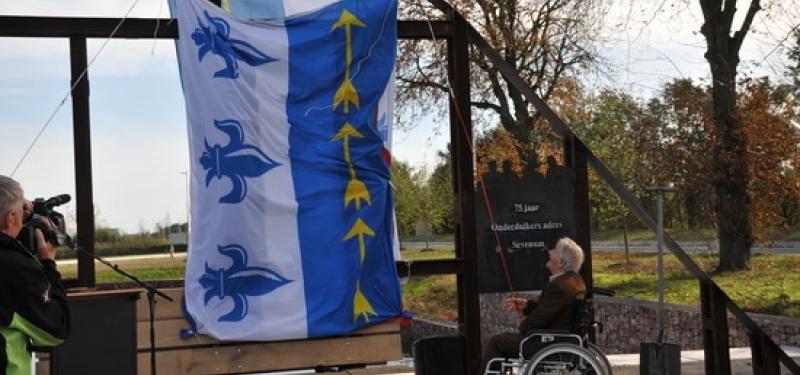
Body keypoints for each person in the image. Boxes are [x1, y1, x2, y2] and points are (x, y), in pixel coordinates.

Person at [481, 237, 587, 373]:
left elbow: (541, 317)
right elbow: (550, 309)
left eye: (555, 250)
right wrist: (527, 305)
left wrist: (523, 327)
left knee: (496, 342)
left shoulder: (559, 287)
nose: (550, 252)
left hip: (547, 342)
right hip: (559, 337)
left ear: (560, 263)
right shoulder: (574, 281)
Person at [0, 175, 70, 375]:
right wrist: (48, 264)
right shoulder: (15, 268)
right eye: (20, 216)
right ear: (10, 218)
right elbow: (57, 329)